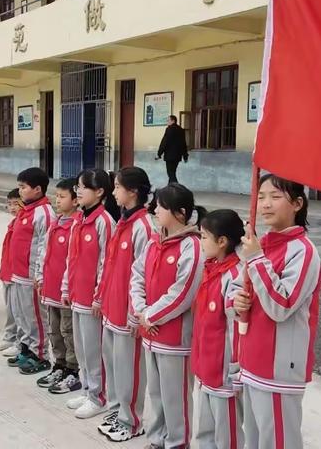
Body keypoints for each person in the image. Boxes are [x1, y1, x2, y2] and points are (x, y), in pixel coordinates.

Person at [232, 175, 321, 449]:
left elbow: (281, 306)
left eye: (275, 197)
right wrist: (238, 302)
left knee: (278, 441)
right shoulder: (262, 246)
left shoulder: (303, 252)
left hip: (279, 367)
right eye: (260, 197)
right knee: (256, 438)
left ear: (297, 203)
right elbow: (239, 289)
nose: (265, 204)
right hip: (253, 358)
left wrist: (257, 259)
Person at [131, 183, 206, 449]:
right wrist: (140, 310)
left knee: (176, 397)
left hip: (175, 339)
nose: (154, 210)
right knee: (157, 394)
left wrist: (150, 316)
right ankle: (156, 440)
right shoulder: (154, 241)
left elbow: (183, 293)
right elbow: (137, 274)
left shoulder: (192, 247)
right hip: (150, 332)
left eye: (160, 206)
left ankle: (176, 443)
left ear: (180, 213)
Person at [94, 167, 156, 442]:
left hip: (127, 313)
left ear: (132, 192)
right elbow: (109, 266)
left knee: (129, 367)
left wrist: (136, 312)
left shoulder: (143, 226)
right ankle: (119, 409)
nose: (114, 192)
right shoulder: (123, 221)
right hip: (111, 306)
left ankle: (133, 420)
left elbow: (143, 275)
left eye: (117, 187)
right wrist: (101, 296)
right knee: (115, 364)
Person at [62, 168, 117, 419]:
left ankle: (99, 396)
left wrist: (99, 296)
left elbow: (107, 263)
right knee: (83, 349)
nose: (78, 191)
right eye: (78, 187)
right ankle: (87, 389)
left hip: (92, 300)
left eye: (83, 187)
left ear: (100, 192)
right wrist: (66, 286)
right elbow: (71, 259)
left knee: (95, 351)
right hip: (76, 295)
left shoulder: (105, 221)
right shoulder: (79, 220)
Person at [192, 209, 245, 449]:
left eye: (204, 237)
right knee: (205, 429)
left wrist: (236, 368)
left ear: (222, 241)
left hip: (224, 370)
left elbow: (236, 328)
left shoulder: (235, 276)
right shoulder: (211, 269)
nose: (200, 242)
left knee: (227, 432)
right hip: (206, 364)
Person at [7, 168, 56, 375]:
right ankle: (27, 348)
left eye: (23, 187)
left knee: (35, 317)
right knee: (22, 315)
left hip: (31, 277)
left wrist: (39, 275)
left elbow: (45, 247)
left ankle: (41, 354)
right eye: (19, 186)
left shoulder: (44, 213)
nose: (20, 191)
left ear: (37, 189)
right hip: (17, 273)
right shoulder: (25, 210)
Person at [35, 178, 82, 394]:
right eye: (57, 196)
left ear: (75, 200)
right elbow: (44, 253)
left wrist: (66, 287)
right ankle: (60, 364)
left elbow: (73, 261)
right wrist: (40, 276)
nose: (57, 200)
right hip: (50, 289)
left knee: (67, 330)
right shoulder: (56, 223)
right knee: (54, 329)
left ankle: (73, 370)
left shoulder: (77, 226)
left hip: (66, 293)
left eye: (62, 197)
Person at [0, 189, 24, 356]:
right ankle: (9, 337)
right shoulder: (13, 223)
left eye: (16, 203)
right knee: (10, 310)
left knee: (19, 311)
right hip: (7, 273)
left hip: (17, 274)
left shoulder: (24, 223)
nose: (12, 207)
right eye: (9, 204)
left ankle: (19, 341)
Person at [156, 115, 188, 184]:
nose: (167, 122)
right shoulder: (181, 130)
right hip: (177, 156)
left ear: (173, 121)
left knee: (170, 173)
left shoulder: (169, 129)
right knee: (172, 172)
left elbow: (164, 142)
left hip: (169, 156)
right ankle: (171, 189)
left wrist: (159, 154)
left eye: (168, 120)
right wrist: (185, 156)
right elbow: (183, 144)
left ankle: (177, 188)